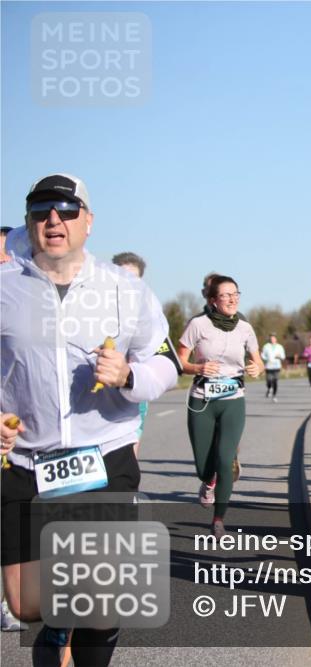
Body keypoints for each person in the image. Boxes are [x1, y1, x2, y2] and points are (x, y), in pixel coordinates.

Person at [1, 174, 179, 665]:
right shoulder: (5, 287)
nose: (52, 220)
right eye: (40, 211)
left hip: (102, 454)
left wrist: (128, 375)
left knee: (100, 602)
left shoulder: (125, 289)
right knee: (26, 603)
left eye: (65, 210)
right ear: (29, 222)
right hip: (22, 461)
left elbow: (166, 362)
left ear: (88, 221)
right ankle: (58, 623)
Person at [177, 275, 264, 537]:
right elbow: (179, 362)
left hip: (232, 399)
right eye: (225, 295)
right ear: (213, 300)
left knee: (226, 460)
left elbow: (257, 361)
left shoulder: (245, 328)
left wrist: (256, 368)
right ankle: (208, 480)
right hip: (202, 399)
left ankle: (218, 520)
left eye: (235, 293)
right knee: (204, 467)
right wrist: (198, 367)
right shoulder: (198, 325)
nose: (232, 299)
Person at [112, 252, 150, 459]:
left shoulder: (147, 314)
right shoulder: (91, 308)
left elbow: (162, 356)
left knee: (130, 449)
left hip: (132, 388)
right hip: (97, 390)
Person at [261, 333, 286, 401]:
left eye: (273, 338)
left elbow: (283, 357)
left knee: (275, 381)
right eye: (271, 338)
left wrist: (280, 357)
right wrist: (266, 359)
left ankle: (274, 395)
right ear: (270, 339)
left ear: (276, 339)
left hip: (277, 366)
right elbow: (262, 355)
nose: (272, 339)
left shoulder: (280, 347)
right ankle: (269, 388)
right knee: (269, 380)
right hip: (268, 366)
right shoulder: (266, 346)